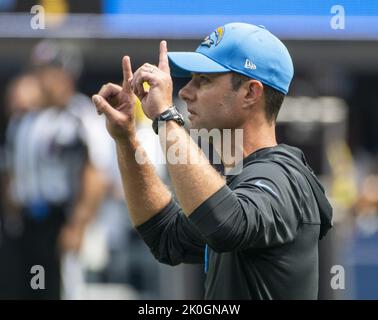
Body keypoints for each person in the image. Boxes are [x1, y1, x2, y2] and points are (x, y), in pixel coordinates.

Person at [92, 22, 333, 299]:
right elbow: (167, 238)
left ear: (250, 93)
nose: (184, 92)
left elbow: (227, 226)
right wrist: (126, 139)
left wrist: (166, 117)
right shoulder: (241, 181)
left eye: (203, 80)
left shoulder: (283, 176)